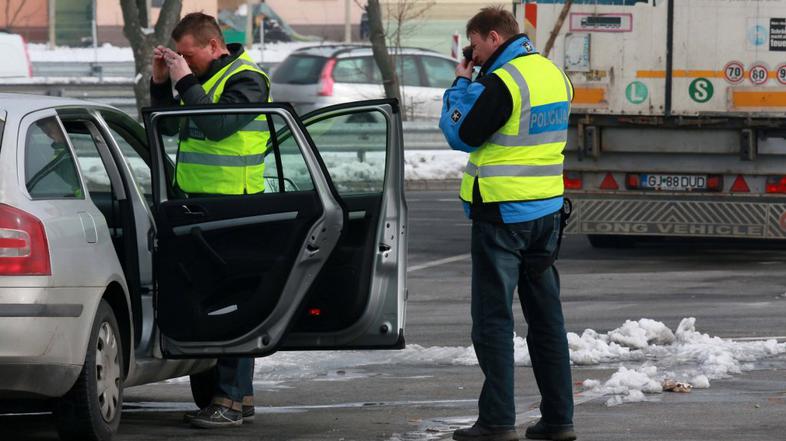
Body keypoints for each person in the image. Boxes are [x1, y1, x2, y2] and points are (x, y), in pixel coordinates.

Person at [438, 6, 576, 441]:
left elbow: (461, 135)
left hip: (502, 215)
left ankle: (497, 421)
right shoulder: (554, 74)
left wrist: (461, 84)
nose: (473, 55)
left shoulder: (503, 82)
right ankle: (558, 420)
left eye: (476, 46)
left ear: (493, 38)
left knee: (493, 320)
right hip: (546, 214)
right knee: (547, 319)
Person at [150, 12, 272, 428]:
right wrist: (162, 81)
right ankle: (241, 398)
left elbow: (217, 126)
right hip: (200, 206)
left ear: (214, 45)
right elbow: (163, 129)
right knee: (216, 302)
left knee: (232, 305)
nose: (185, 61)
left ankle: (229, 400)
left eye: (189, 55)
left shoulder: (248, 79)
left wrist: (184, 80)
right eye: (178, 55)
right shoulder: (200, 80)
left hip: (235, 207)